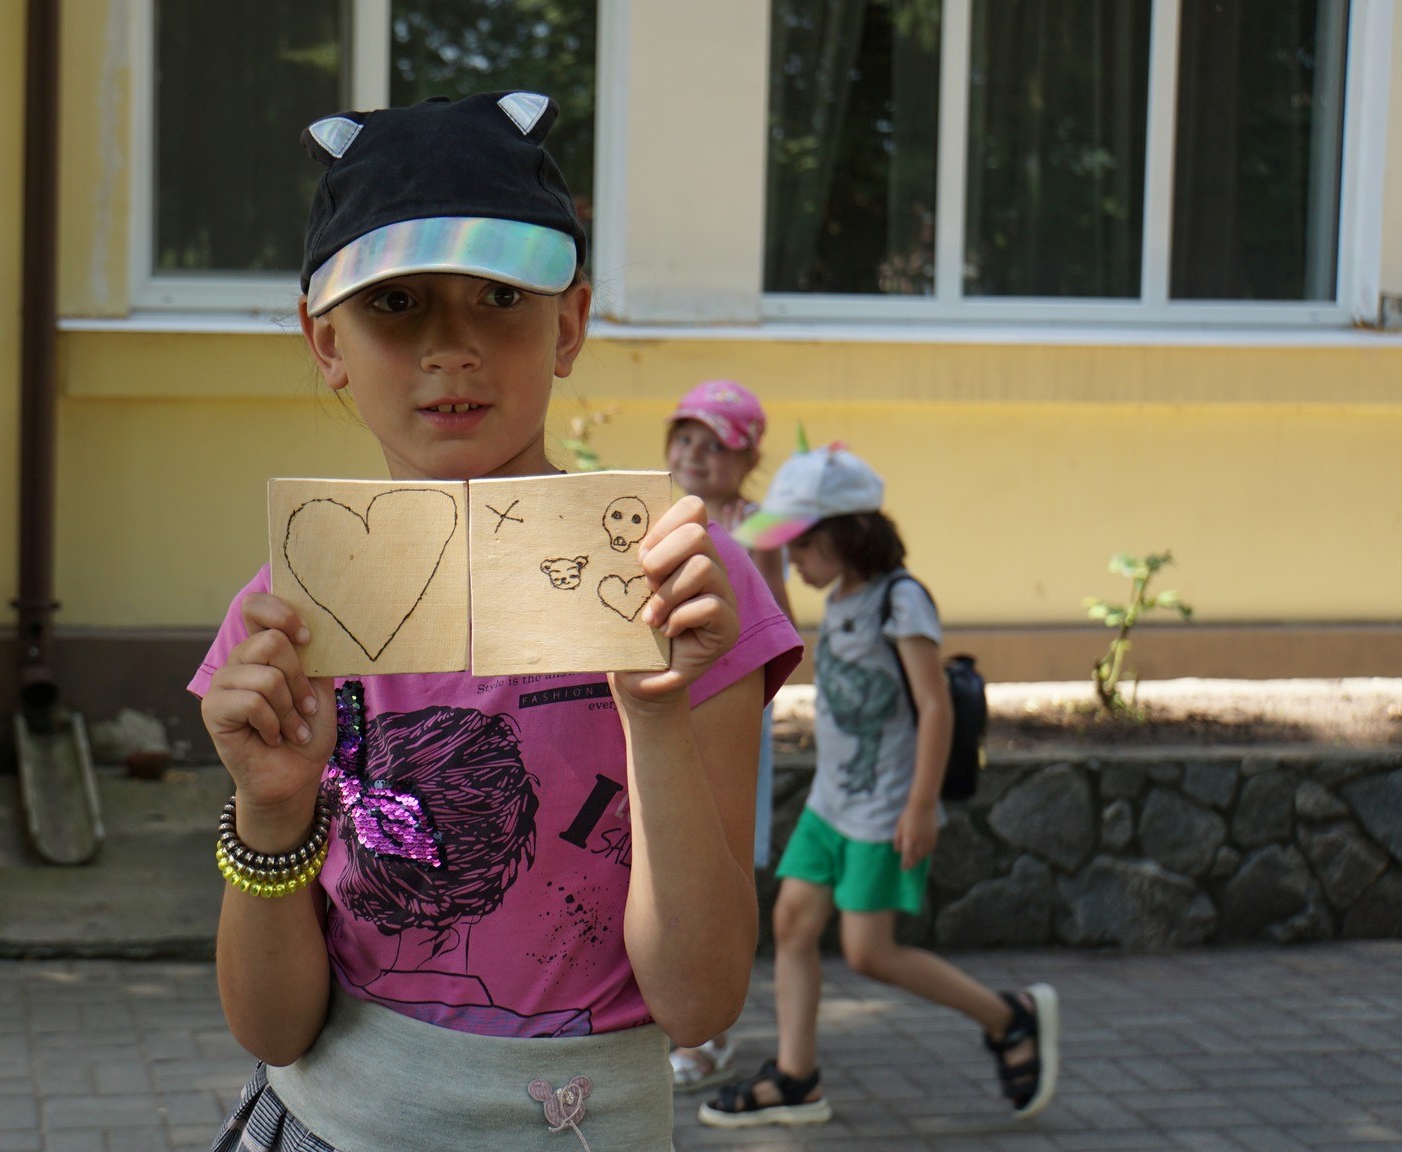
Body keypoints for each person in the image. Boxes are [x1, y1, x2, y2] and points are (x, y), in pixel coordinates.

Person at [190, 91, 803, 1148]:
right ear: (321, 339)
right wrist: (272, 813)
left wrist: (654, 720)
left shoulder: (683, 593)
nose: (451, 347)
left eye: (496, 296)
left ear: (566, 322)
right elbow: (271, 1027)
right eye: (394, 305)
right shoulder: (288, 617)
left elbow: (699, 1003)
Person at [700, 444, 1059, 1127]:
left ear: (844, 534)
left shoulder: (902, 599)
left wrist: (920, 805)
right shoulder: (842, 596)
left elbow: (935, 707)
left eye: (801, 547)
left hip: (883, 809)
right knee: (793, 924)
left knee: (870, 952)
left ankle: (1008, 1016)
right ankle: (796, 1076)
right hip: (830, 803)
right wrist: (770, 565)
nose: (798, 562)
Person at [661, 380, 793, 1093]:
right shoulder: (654, 518)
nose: (695, 455)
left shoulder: (756, 528)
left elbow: (778, 623)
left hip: (732, 717)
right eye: (685, 438)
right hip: (663, 715)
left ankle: (710, 1032)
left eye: (715, 445)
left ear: (747, 460)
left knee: (720, 856)